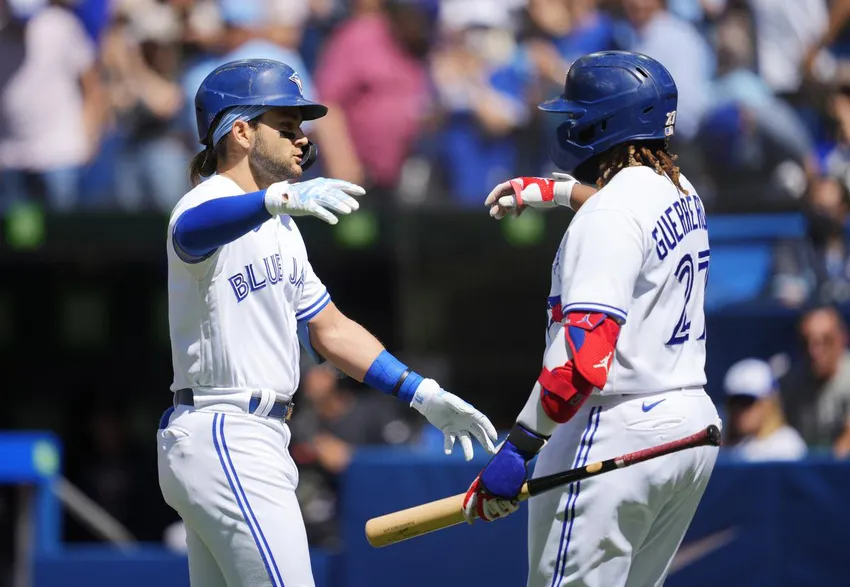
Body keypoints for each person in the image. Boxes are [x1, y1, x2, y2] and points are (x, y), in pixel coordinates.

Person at [156, 58, 497, 587]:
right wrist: (273, 199)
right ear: (240, 131)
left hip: (251, 436)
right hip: (224, 428)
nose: (301, 141)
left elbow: (331, 329)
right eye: (286, 127)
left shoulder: (283, 226)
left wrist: (421, 393)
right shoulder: (208, 201)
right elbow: (192, 232)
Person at [461, 51, 722, 587]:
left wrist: (517, 452)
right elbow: (623, 212)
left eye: (577, 113)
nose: (568, 122)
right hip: (688, 429)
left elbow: (581, 363)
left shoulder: (608, 215)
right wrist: (557, 192)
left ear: (604, 121)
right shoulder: (679, 188)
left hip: (613, 433)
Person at [722, 358, 807, 461]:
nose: (738, 409)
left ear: (768, 403)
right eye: (733, 402)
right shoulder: (736, 448)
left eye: (746, 401)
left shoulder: (788, 446)